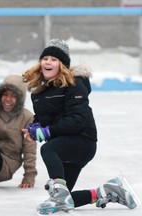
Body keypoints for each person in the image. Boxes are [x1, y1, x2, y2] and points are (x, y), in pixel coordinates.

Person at [22, 39, 138, 214]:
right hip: (65, 141)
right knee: (66, 199)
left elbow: (78, 119)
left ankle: (59, 195)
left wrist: (48, 132)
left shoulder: (74, 84)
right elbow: (44, 119)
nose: (48, 62)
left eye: (54, 59)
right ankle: (106, 191)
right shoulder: (39, 91)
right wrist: (35, 128)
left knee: (48, 150)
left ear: (62, 65)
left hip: (82, 140)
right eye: (45, 58)